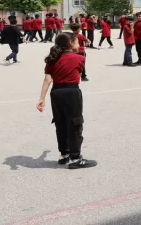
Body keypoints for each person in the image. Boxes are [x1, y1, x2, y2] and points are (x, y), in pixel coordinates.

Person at [36, 32, 97, 169]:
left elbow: (47, 79)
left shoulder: (52, 59)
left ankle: (64, 154)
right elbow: (79, 75)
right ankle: (75, 158)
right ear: (71, 43)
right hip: (71, 92)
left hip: (56, 93)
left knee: (61, 123)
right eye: (77, 42)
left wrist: (42, 98)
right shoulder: (79, 58)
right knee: (75, 123)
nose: (79, 44)